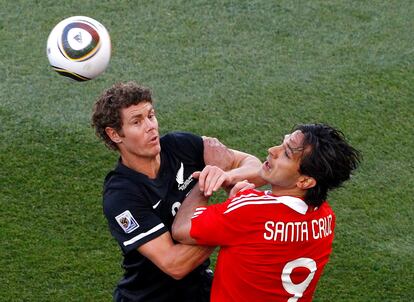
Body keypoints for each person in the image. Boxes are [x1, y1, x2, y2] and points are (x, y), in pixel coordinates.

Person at [91, 81, 264, 302]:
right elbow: (175, 264)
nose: (150, 126)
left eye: (151, 116)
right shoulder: (121, 196)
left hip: (200, 289)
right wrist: (228, 221)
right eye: (137, 121)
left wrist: (226, 175)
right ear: (115, 134)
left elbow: (257, 169)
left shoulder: (179, 146)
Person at [172, 123, 361, 302]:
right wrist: (238, 195)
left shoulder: (250, 210)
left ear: (305, 181)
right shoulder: (326, 217)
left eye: (286, 154)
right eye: (282, 143)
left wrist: (205, 180)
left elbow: (181, 229)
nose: (272, 150)